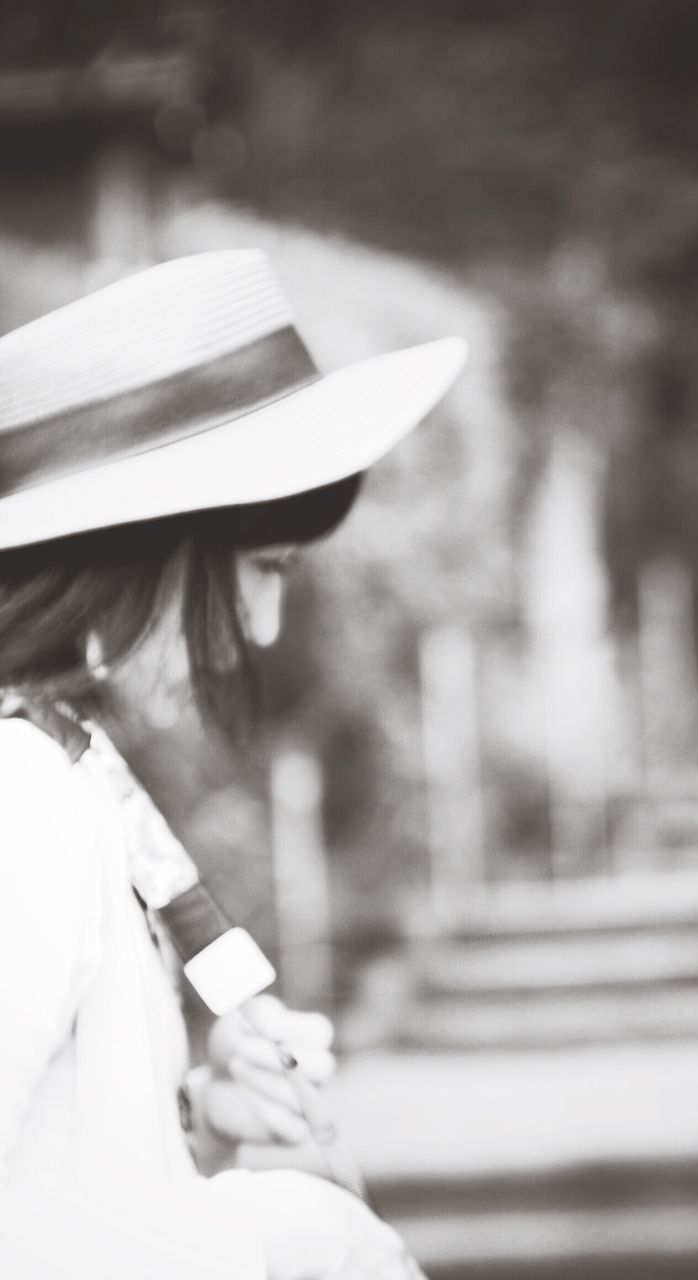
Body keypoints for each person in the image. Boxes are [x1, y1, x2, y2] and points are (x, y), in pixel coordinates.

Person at [0, 250, 467, 1278]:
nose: (259, 627)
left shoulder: (63, 768)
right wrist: (278, 1235)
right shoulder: (20, 797)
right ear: (144, 550)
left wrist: (199, 1116)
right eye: (260, 571)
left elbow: (55, 1188)